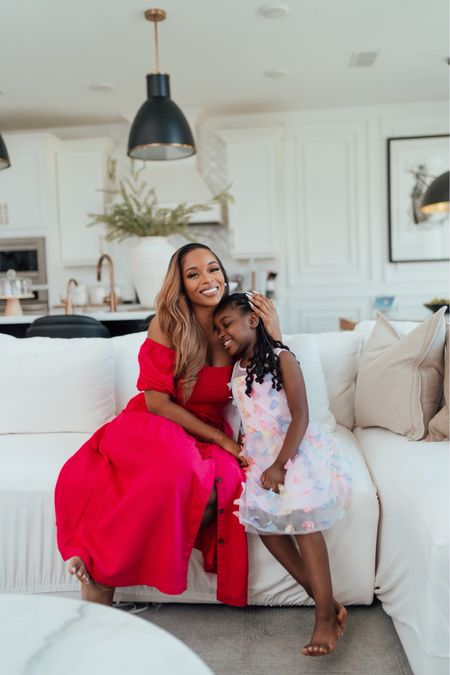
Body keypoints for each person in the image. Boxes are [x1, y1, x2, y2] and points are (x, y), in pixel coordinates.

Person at [54, 243, 281, 608]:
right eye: (194, 274)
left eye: (212, 269)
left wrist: (274, 333)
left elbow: (267, 382)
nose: (208, 280)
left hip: (207, 430)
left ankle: (100, 565)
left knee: (227, 484)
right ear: (181, 284)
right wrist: (223, 442)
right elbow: (158, 402)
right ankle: (101, 578)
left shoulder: (236, 324)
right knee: (178, 467)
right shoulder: (169, 323)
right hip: (156, 419)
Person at [213, 293, 352, 656]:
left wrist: (279, 465)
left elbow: (301, 415)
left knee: (304, 517)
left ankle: (323, 618)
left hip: (294, 451)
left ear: (253, 320)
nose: (221, 334)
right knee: (264, 527)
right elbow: (249, 414)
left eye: (226, 323)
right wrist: (246, 445)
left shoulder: (282, 358)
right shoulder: (237, 368)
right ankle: (326, 601)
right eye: (217, 329)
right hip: (261, 457)